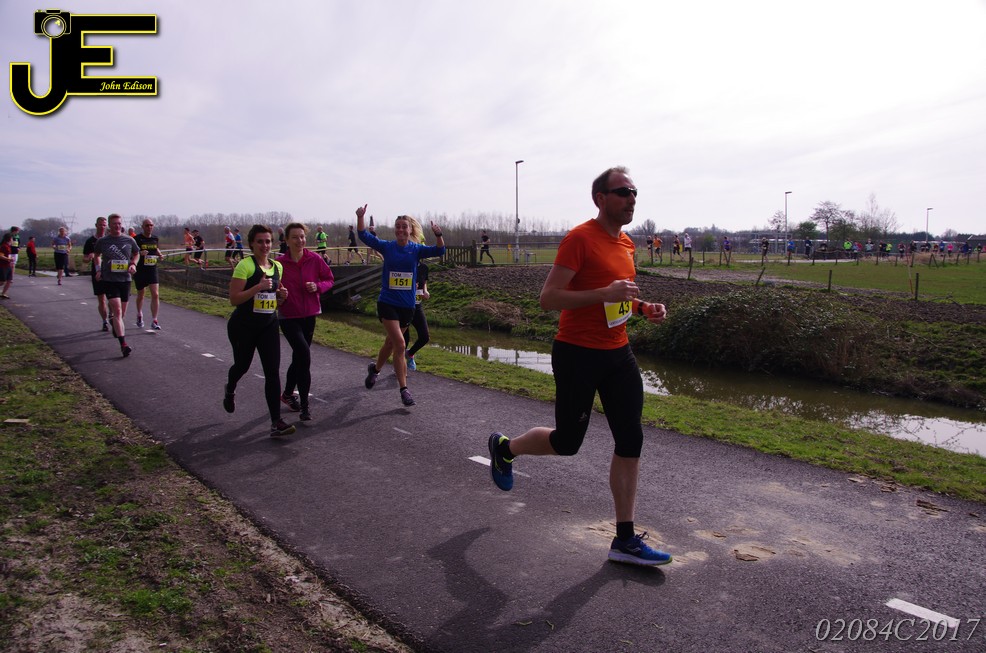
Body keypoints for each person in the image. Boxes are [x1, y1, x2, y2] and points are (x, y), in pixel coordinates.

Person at [485, 166, 672, 567]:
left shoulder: (626, 243)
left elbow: (619, 297)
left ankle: (624, 539)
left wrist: (643, 308)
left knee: (631, 438)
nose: (632, 198)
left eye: (635, 191)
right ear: (601, 198)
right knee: (567, 443)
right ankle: (505, 448)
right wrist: (605, 292)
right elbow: (549, 298)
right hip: (577, 353)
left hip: (618, 353)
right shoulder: (580, 239)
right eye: (623, 192)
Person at [357, 206, 445, 407]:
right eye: (397, 226)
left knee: (390, 343)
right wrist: (360, 217)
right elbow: (363, 235)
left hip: (407, 306)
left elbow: (440, 250)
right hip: (388, 303)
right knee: (400, 344)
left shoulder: (416, 249)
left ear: (410, 229)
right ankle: (404, 390)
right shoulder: (388, 247)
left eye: (404, 227)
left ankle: (375, 370)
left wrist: (438, 235)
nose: (400, 230)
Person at [222, 224, 295, 437]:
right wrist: (257, 287)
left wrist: (281, 296)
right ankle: (230, 387)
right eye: (260, 242)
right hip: (243, 326)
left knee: (272, 372)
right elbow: (234, 299)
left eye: (268, 241)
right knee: (242, 366)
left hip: (268, 325)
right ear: (252, 244)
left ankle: (276, 422)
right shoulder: (245, 265)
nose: (265, 245)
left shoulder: (277, 266)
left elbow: (274, 298)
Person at [276, 223, 335, 421]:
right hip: (288, 316)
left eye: (302, 237)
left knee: (299, 357)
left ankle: (287, 394)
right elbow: (271, 288)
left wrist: (317, 286)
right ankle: (305, 406)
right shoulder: (279, 264)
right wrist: (278, 294)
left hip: (309, 314)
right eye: (295, 237)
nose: (299, 240)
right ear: (286, 240)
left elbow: (329, 279)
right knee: (304, 354)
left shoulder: (314, 259)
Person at [93, 214, 140, 357]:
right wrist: (98, 269)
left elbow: (136, 253)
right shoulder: (103, 241)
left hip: (125, 279)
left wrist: (133, 264)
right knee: (118, 310)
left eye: (119, 223)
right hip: (109, 280)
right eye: (114, 223)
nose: (117, 226)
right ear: (110, 225)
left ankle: (115, 324)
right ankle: (123, 345)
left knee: (121, 314)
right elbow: (96, 255)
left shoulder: (129, 240)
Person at [134, 218, 164, 330]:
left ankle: (154, 320)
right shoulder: (137, 239)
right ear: (142, 227)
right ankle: (139, 314)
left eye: (151, 225)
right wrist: (140, 253)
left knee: (155, 294)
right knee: (141, 294)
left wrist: (160, 254)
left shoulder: (155, 238)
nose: (149, 227)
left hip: (152, 269)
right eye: (147, 225)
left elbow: (156, 249)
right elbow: (132, 253)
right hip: (140, 269)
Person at [402, 256, 431, 371]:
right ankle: (400, 366)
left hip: (417, 306)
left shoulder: (424, 267)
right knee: (404, 340)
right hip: (403, 306)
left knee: (425, 337)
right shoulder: (403, 266)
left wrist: (425, 291)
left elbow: (424, 282)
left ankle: (410, 354)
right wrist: (409, 287)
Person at [82, 217, 110, 331]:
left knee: (112, 298)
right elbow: (84, 259)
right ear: (96, 225)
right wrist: (89, 258)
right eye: (100, 225)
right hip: (97, 272)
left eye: (104, 225)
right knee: (102, 299)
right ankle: (105, 321)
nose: (102, 227)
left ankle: (112, 315)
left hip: (111, 272)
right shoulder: (90, 241)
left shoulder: (110, 239)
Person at [0, 232, 13, 299]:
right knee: (2, 282)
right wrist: (8, 259)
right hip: (3, 266)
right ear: (9, 239)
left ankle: (3, 293)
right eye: (12, 239)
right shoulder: (4, 246)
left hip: (8, 265)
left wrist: (10, 260)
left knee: (9, 280)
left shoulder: (8, 246)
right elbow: (0, 256)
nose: (12, 240)